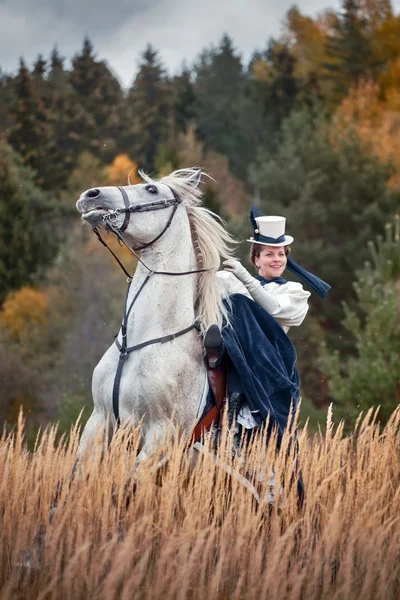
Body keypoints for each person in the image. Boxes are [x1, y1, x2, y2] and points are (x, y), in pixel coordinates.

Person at [205, 204, 330, 444]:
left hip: (271, 362)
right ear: (256, 259)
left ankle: (236, 414)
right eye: (270, 254)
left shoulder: (295, 291)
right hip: (233, 353)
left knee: (238, 303)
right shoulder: (235, 281)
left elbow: (274, 309)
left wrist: (244, 279)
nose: (277, 259)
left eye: (281, 254)